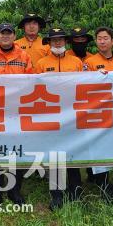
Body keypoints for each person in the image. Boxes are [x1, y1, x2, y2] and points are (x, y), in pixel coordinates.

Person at [0, 23, 34, 205]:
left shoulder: (24, 56)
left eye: (8, 34)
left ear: (14, 36)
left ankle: (14, 190)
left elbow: (31, 83)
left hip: (17, 112)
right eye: (2, 34)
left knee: (16, 152)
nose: (5, 37)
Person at [36, 28, 84, 209]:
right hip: (51, 113)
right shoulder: (41, 63)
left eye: (61, 40)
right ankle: (56, 194)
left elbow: (85, 84)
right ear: (48, 42)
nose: (57, 43)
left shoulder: (76, 61)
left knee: (73, 151)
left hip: (72, 113)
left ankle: (76, 191)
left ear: (66, 42)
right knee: (55, 153)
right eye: (54, 40)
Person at [82, 27, 113, 198]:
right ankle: (103, 187)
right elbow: (83, 85)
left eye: (105, 38)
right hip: (99, 112)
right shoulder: (89, 62)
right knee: (100, 150)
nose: (102, 41)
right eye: (99, 38)